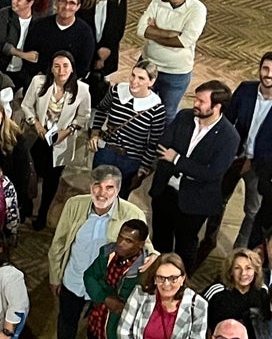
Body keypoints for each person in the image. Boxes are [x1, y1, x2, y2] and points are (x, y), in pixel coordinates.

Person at [47, 165, 147, 339]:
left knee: (99, 330)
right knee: (67, 321)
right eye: (97, 186)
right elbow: (59, 243)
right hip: (73, 278)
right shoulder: (74, 205)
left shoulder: (133, 214)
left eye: (109, 188)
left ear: (118, 189)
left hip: (105, 287)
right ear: (90, 186)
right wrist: (55, 276)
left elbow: (147, 249)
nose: (102, 193)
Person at [148, 81, 240, 269]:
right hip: (166, 190)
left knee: (185, 246)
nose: (195, 104)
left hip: (194, 202)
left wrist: (177, 160)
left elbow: (212, 173)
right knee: (160, 238)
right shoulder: (184, 116)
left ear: (217, 106)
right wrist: (191, 167)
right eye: (196, 99)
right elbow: (164, 144)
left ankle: (183, 284)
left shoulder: (229, 137)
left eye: (201, 101)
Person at [199, 53, 272, 264]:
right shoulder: (246, 89)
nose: (269, 75)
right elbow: (227, 120)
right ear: (259, 69)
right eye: (266, 69)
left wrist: (253, 161)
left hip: (261, 168)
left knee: (252, 211)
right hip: (233, 158)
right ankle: (208, 240)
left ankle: (238, 254)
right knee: (217, 201)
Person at [20, 51, 92, 229]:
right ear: (51, 68)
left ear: (72, 68)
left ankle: (43, 214)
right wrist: (36, 124)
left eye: (65, 66)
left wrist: (67, 131)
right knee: (30, 173)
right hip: (38, 137)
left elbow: (84, 116)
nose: (61, 70)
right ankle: (26, 206)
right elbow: (26, 106)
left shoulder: (82, 90)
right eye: (57, 66)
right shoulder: (39, 83)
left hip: (61, 141)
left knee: (52, 181)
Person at [90, 61, 167, 198]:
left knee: (119, 196)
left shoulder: (156, 109)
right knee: (97, 191)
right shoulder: (116, 90)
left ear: (151, 82)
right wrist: (95, 133)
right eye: (133, 75)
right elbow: (101, 110)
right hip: (106, 151)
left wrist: (142, 170)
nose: (134, 81)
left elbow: (153, 143)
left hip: (130, 160)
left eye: (141, 78)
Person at [136, 0, 207, 117]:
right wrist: (170, 34)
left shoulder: (197, 10)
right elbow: (141, 30)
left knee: (167, 114)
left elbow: (184, 41)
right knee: (139, 107)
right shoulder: (157, 0)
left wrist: (154, 32)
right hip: (148, 64)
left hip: (176, 73)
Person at [204, 249, 272, 339]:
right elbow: (202, 323)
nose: (243, 273)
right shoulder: (216, 292)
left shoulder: (262, 291)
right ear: (230, 271)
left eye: (248, 268)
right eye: (237, 268)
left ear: (255, 271)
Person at [78, 0, 128, 105]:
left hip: (108, 55)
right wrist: (96, 56)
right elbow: (82, 29)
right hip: (86, 54)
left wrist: (104, 53)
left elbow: (118, 30)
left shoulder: (119, 0)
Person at [23, 0, 97, 80]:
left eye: (72, 3)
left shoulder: (85, 33)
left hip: (69, 83)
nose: (66, 7)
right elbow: (29, 54)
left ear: (78, 7)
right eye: (63, 1)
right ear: (57, 2)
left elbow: (84, 66)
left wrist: (63, 81)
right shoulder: (40, 26)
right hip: (39, 79)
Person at [0, 0, 48, 90]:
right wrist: (23, 55)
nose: (14, 1)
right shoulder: (4, 15)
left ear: (30, 3)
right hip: (3, 69)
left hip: (25, 73)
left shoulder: (40, 21)